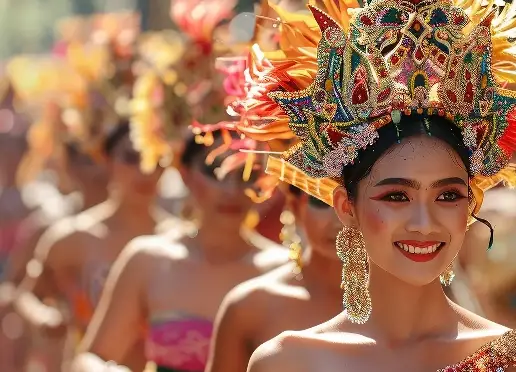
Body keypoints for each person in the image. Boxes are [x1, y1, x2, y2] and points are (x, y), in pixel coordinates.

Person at [233, 0, 516, 370]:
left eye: (448, 195)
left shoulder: (507, 359)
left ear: (471, 204)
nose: (424, 222)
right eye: (397, 195)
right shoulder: (287, 361)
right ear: (346, 206)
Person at [70, 130, 288, 372]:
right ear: (186, 175)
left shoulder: (283, 272)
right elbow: (89, 358)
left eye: (247, 174)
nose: (231, 189)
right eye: (216, 171)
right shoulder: (148, 260)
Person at [12, 121, 161, 369]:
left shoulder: (181, 243)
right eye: (131, 157)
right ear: (106, 159)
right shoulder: (72, 238)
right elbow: (29, 294)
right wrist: (44, 317)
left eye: (156, 160)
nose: (145, 171)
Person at [206, 185, 343, 372]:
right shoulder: (249, 306)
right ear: (295, 206)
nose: (340, 220)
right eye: (321, 201)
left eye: (352, 201)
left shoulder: (396, 304)